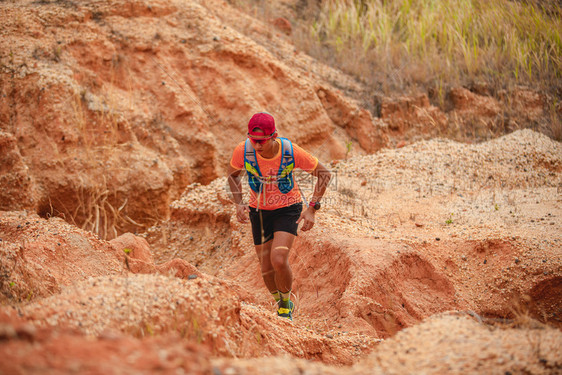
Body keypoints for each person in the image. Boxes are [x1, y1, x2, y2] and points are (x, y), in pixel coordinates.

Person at [227, 112, 331, 321]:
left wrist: (312, 208)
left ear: (274, 136)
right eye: (253, 140)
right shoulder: (243, 150)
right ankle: (282, 301)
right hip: (259, 211)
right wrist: (238, 203)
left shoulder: (290, 151)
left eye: (262, 141)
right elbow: (232, 175)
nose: (257, 146)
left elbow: (324, 173)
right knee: (266, 269)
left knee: (278, 260)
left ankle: (285, 306)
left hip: (288, 208)